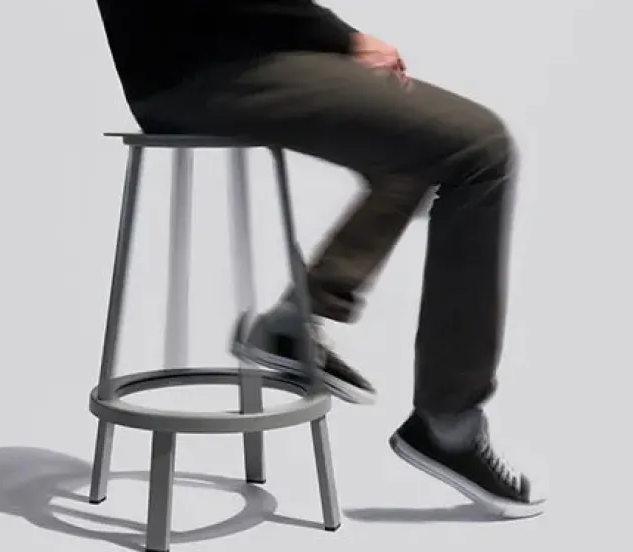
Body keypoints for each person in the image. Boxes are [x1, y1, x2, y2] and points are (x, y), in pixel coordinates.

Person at [96, 0, 545, 518]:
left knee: (423, 147)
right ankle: (450, 424)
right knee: (480, 148)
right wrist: (343, 39)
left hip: (204, 59)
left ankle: (292, 324)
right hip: (209, 68)